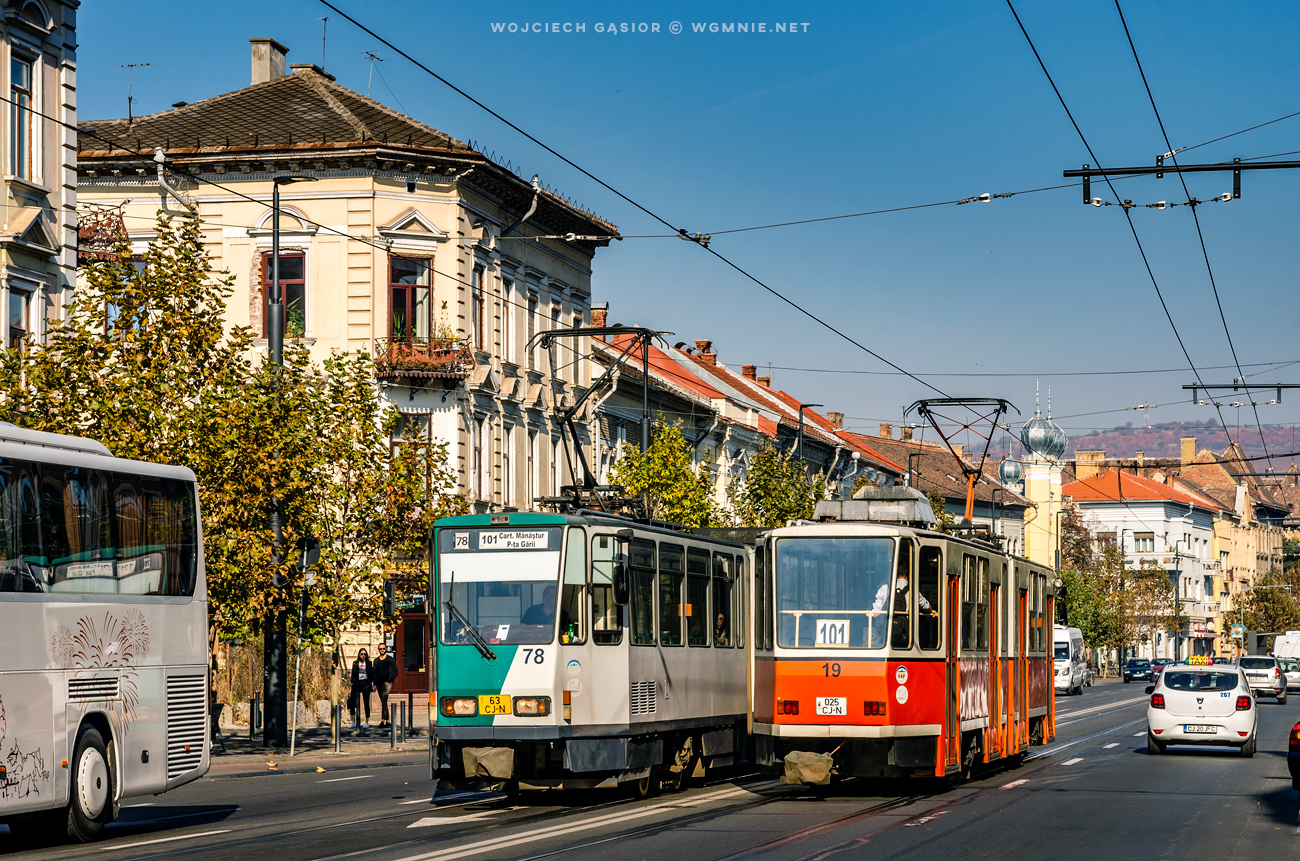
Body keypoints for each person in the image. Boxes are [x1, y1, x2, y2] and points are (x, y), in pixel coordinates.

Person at [374, 642, 398, 728]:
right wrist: (374, 682)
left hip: (387, 683)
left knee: (384, 699)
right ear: (378, 649)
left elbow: (395, 671)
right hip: (379, 683)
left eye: (383, 648)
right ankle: (388, 721)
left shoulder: (390, 660)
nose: (382, 650)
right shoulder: (376, 661)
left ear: (386, 649)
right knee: (383, 702)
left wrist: (390, 680)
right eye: (380, 649)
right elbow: (374, 672)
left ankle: (382, 721)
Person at [349, 648, 374, 729]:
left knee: (366, 702)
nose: (363, 655)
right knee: (352, 702)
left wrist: (372, 684)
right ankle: (353, 721)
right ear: (359, 655)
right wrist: (351, 685)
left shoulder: (369, 663)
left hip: (365, 683)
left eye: (364, 654)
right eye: (362, 654)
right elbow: (353, 674)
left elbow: (371, 674)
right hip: (356, 683)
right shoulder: (355, 663)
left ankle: (367, 722)